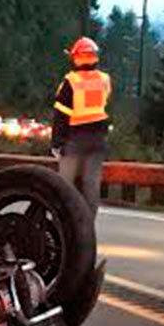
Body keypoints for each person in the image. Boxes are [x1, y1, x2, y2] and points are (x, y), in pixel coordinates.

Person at [52, 36, 111, 216]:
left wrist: (56, 143)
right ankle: (87, 226)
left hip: (75, 139)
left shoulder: (71, 81)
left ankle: (63, 223)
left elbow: (61, 115)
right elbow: (106, 106)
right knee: (91, 185)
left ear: (75, 57)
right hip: (98, 140)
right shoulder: (104, 80)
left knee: (65, 186)